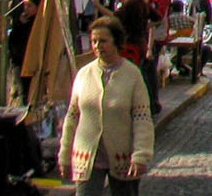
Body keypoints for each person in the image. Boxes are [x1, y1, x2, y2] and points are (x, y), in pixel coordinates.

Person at [60, 16, 154, 195]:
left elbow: (142, 119)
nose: (97, 46)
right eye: (94, 41)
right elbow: (72, 118)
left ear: (116, 41)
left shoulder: (132, 75)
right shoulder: (83, 74)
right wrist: (64, 156)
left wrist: (141, 155)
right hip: (87, 157)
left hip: (122, 158)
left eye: (103, 41)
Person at [142, 0, 171, 115]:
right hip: (151, 35)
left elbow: (157, 17)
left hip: (156, 36)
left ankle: (153, 102)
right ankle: (151, 101)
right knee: (148, 70)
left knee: (149, 70)